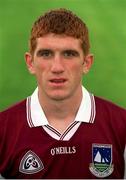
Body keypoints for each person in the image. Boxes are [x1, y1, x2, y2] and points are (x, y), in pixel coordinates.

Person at [0, 8, 126, 179]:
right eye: (46, 54)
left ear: (86, 63)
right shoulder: (4, 130)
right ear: (30, 63)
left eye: (69, 54)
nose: (57, 67)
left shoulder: (121, 126)